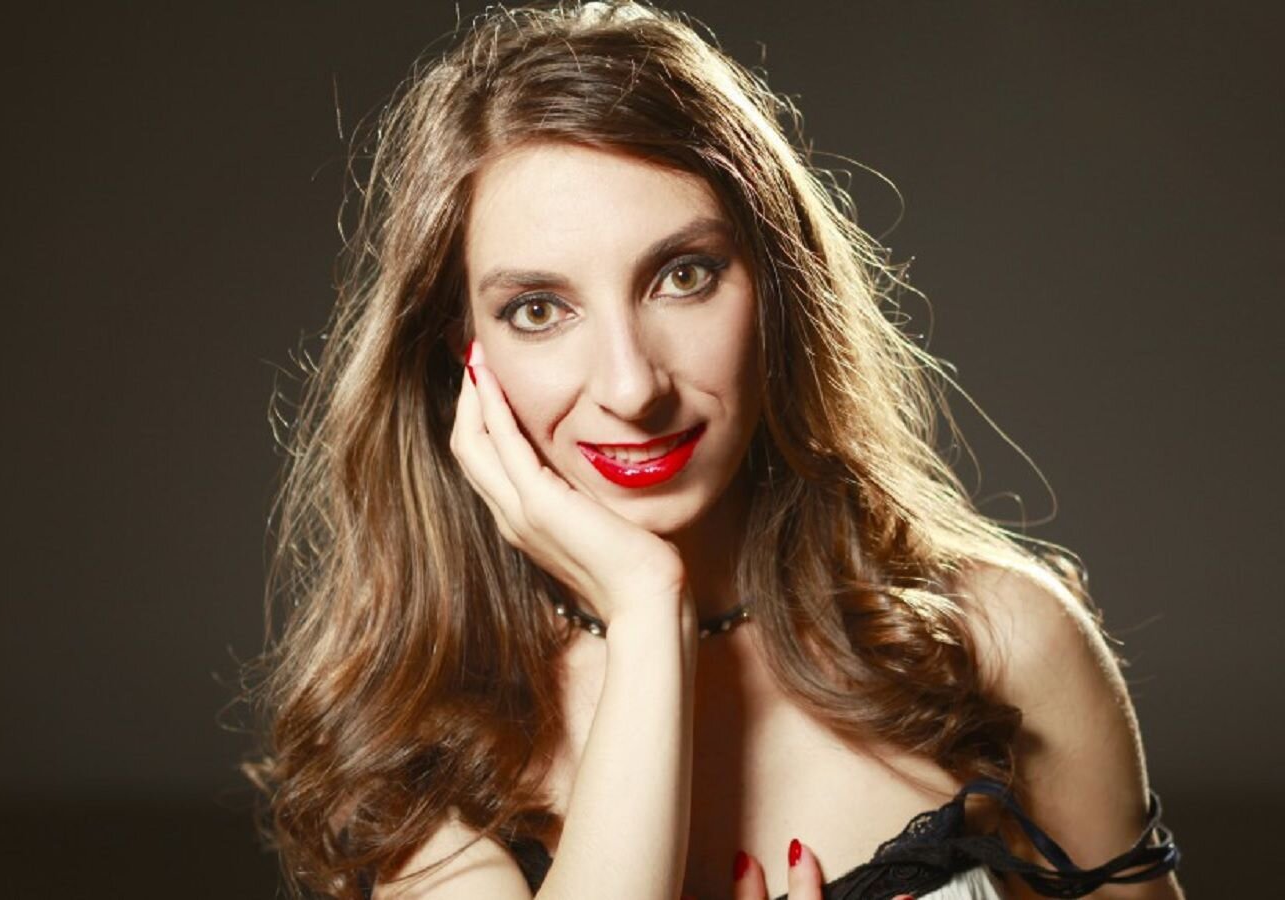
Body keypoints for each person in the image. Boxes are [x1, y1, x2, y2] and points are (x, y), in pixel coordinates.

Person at [246, 2, 1184, 898]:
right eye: (538, 309)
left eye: (683, 275)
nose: (631, 387)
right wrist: (646, 604)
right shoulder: (423, 745)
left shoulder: (1000, 642)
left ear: (775, 285)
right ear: (465, 353)